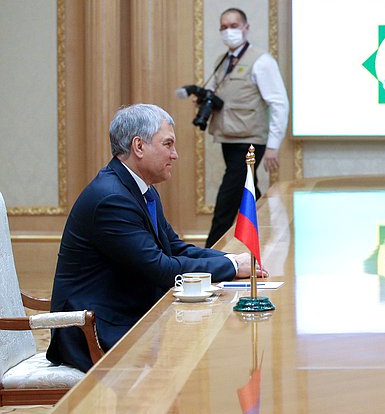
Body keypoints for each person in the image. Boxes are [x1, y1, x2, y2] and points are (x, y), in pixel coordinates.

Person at [47, 104, 267, 372]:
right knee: (197, 356)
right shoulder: (112, 199)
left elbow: (173, 248)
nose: (175, 155)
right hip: (94, 330)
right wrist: (232, 267)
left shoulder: (139, 188)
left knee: (202, 341)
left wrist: (232, 260)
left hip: (127, 314)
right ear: (139, 146)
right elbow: (161, 268)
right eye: (168, 144)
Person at [200, 7, 289, 248]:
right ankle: (269, 240)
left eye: (234, 26)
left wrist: (272, 146)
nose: (229, 31)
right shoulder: (222, 61)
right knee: (247, 193)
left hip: (250, 141)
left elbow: (279, 103)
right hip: (228, 139)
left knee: (226, 201)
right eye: (224, 27)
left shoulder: (261, 60)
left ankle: (207, 256)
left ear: (246, 28)